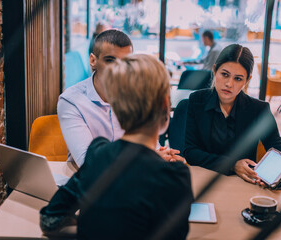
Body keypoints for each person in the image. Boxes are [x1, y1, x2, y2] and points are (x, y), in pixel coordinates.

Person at [40, 54, 194, 239]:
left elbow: (49, 220)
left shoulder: (97, 155)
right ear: (165, 105)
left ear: (116, 106)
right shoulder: (174, 177)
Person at [58, 29, 183, 167]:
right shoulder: (71, 100)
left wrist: (162, 154)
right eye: (110, 60)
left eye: (125, 63)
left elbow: (148, 142)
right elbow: (88, 163)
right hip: (89, 183)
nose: (118, 69)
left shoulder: (136, 93)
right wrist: (149, 158)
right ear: (93, 60)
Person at [183, 44, 281, 184]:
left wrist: (267, 174)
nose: (229, 84)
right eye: (224, 74)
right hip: (204, 179)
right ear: (214, 70)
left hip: (243, 183)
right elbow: (190, 152)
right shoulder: (197, 100)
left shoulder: (259, 109)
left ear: (247, 80)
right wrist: (232, 165)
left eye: (238, 79)